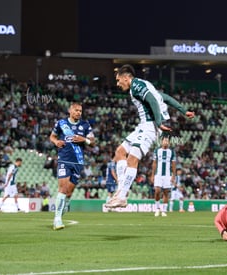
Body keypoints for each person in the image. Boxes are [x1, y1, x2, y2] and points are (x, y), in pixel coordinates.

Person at [105, 64, 195, 208]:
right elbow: (164, 97)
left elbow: (153, 101)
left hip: (150, 127)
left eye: (118, 80)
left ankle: (122, 196)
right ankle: (121, 190)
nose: (117, 83)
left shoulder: (136, 86)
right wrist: (183, 110)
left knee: (132, 159)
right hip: (143, 126)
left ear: (126, 77)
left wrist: (158, 123)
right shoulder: (143, 84)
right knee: (120, 152)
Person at [49, 102, 95, 230]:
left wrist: (84, 140)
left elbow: (93, 141)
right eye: (76, 110)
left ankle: (64, 206)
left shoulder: (85, 125)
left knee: (69, 193)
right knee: (62, 189)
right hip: (64, 159)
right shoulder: (61, 123)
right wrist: (56, 141)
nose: (79, 113)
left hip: (78, 162)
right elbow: (52, 136)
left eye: (80, 111)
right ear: (70, 110)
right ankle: (57, 219)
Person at [151, 135, 176, 217]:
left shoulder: (171, 152)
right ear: (161, 142)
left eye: (167, 141)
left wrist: (173, 176)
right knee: (157, 191)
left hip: (167, 175)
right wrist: (152, 175)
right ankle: (157, 209)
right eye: (165, 140)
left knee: (166, 192)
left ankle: (164, 210)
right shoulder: (157, 150)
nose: (166, 142)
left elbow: (173, 164)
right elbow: (154, 163)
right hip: (158, 175)